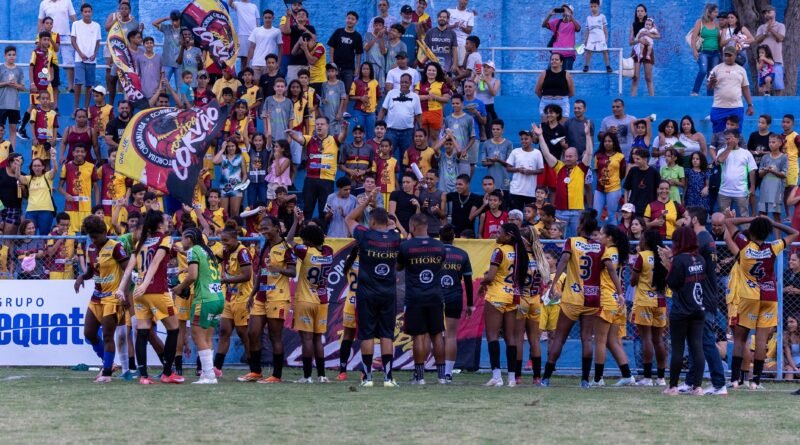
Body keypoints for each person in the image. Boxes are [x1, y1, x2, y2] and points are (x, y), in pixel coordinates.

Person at [724, 214, 798, 389]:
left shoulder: (744, 245)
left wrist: (753, 218)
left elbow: (728, 222)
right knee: (761, 341)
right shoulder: (773, 247)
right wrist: (772, 223)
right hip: (770, 297)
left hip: (749, 297)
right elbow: (795, 233)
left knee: (740, 339)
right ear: (768, 232)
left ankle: (734, 380)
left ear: (751, 231)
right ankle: (755, 382)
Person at [542, 211, 613, 387]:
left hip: (572, 298)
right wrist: (619, 292)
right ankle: (584, 380)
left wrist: (553, 284)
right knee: (587, 339)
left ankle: (546, 378)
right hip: (592, 298)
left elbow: (563, 261)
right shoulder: (600, 247)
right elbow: (611, 269)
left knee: (559, 337)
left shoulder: (572, 242)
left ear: (581, 226)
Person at [116, 210, 182, 385]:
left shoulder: (141, 242)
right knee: (174, 329)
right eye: (165, 220)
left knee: (143, 332)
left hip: (139, 294)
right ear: (159, 224)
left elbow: (128, 269)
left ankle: (144, 376)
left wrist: (121, 288)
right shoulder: (165, 239)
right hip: (157, 291)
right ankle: (167, 373)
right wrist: (146, 284)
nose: (168, 222)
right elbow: (155, 263)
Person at [344, 193, 402, 387]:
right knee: (387, 334)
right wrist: (389, 223)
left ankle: (368, 378)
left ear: (373, 221)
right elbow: (396, 228)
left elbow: (349, 219)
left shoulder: (365, 234)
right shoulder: (395, 237)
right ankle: (388, 378)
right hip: (388, 293)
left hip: (367, 293)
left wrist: (367, 201)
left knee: (367, 334)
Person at [73, 215, 129, 383]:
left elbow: (128, 271)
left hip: (112, 297)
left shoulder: (116, 247)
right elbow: (92, 271)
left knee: (107, 336)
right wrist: (82, 277)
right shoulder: (91, 248)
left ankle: (107, 373)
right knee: (89, 333)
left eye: (96, 236)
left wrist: (125, 293)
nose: (93, 240)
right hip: (96, 297)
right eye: (91, 237)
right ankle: (108, 363)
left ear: (105, 232)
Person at [242, 216, 295, 383]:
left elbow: (293, 271)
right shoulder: (265, 247)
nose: (263, 231)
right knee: (252, 333)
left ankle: (276, 375)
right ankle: (256, 371)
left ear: (276, 228)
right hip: (261, 296)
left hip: (278, 297)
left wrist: (278, 268)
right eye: (261, 229)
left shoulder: (285, 247)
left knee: (274, 336)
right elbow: (260, 273)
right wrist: (252, 294)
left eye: (266, 228)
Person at [658, 226, 710, 395]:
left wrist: (668, 265)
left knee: (678, 349)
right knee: (697, 347)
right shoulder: (700, 259)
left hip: (681, 310)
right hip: (698, 308)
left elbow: (673, 283)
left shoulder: (679, 260)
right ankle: (697, 387)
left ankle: (673, 386)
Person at [170, 228, 224, 384]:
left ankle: (209, 375)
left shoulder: (193, 251)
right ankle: (207, 373)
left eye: (182, 238)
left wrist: (179, 288)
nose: (181, 241)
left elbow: (192, 276)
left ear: (189, 238)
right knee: (207, 337)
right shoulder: (207, 251)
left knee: (197, 335)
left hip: (204, 299)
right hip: (218, 297)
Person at [399, 214, 447, 384]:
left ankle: (420, 377)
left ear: (412, 227)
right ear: (427, 226)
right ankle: (442, 377)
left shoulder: (406, 246)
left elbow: (398, 266)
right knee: (437, 335)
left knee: (418, 336)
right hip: (435, 296)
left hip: (415, 297)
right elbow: (441, 265)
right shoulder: (439, 246)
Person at [683, 206, 727, 394]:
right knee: (696, 340)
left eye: (686, 218)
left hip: (703, 296)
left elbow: (692, 267)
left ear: (694, 220)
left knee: (706, 340)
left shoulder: (700, 240)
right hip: (703, 294)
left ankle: (719, 383)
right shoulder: (707, 238)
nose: (683, 221)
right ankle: (691, 381)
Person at [286, 214, 334, 383]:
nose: (304, 242)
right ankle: (322, 375)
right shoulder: (329, 252)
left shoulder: (305, 251)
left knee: (306, 339)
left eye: (305, 239)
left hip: (306, 300)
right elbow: (321, 243)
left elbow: (289, 240)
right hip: (323, 300)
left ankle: (307, 376)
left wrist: (295, 222)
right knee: (317, 339)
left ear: (309, 241)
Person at [479, 223, 528, 386]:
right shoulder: (520, 252)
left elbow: (490, 277)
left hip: (496, 295)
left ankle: (497, 376)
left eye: (499, 232)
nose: (496, 234)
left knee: (492, 336)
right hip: (513, 296)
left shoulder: (499, 251)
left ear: (508, 236)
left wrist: (482, 283)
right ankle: (512, 378)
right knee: (510, 337)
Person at [593, 224, 636, 386]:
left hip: (607, 298)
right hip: (619, 301)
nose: (598, 237)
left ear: (609, 237)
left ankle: (598, 379)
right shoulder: (619, 252)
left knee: (600, 341)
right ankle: (627, 375)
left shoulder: (607, 252)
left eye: (601, 234)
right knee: (612, 341)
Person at [536, 121, 593, 238]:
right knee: (559, 238)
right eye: (566, 156)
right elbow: (546, 154)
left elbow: (589, 153)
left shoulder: (581, 168)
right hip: (560, 212)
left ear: (576, 157)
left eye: (570, 156)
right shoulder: (559, 167)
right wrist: (540, 136)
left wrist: (587, 135)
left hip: (577, 211)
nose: (567, 158)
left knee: (576, 238)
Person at [286, 116, 347, 218]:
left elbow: (343, 136)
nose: (319, 126)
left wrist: (345, 128)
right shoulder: (310, 139)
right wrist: (291, 134)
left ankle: (323, 228)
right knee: (307, 209)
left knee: (324, 211)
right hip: (310, 180)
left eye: (322, 124)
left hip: (327, 181)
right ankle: (305, 227)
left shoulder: (334, 140)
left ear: (327, 126)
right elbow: (299, 138)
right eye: (317, 124)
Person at [213, 226, 253, 376]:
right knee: (224, 331)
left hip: (243, 297)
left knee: (244, 334)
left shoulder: (243, 252)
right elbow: (211, 260)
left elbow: (247, 275)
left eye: (226, 240)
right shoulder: (225, 250)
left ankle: (254, 369)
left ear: (235, 239)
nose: (223, 243)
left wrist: (226, 280)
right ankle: (217, 368)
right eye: (221, 240)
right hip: (229, 297)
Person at [514, 226, 551, 385]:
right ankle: (537, 377)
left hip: (522, 299)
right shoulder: (540, 258)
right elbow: (545, 280)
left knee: (518, 338)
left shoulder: (520, 257)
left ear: (525, 241)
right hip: (536, 300)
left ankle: (517, 376)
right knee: (534, 339)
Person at [438, 224, 473, 382]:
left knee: (435, 335)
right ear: (454, 237)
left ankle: (435, 372)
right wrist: (471, 304)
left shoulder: (434, 252)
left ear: (439, 237)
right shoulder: (462, 254)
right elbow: (468, 282)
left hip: (435, 297)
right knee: (451, 336)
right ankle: (448, 373)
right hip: (454, 297)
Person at [707, 46, 754, 134]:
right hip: (719, 107)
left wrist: (750, 105)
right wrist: (711, 82)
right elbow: (709, 87)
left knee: (735, 135)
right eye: (726, 55)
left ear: (735, 56)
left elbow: (745, 88)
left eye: (730, 55)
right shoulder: (716, 69)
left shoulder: (741, 70)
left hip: (736, 108)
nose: (727, 57)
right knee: (718, 135)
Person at [378, 73, 421, 163]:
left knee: (405, 160)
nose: (404, 84)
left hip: (407, 132)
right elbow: (383, 110)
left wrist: (421, 130)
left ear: (410, 83)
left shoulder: (415, 97)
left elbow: (418, 116)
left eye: (406, 82)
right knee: (387, 157)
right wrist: (378, 125)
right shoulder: (391, 93)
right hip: (391, 131)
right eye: (402, 82)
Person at [717, 130, 757, 216]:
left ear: (737, 139)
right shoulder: (721, 151)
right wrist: (729, 147)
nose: (728, 141)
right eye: (726, 139)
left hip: (741, 191)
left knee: (744, 216)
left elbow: (752, 171)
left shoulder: (746, 153)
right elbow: (719, 160)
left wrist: (752, 187)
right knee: (723, 217)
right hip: (724, 191)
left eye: (730, 138)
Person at [18, 148, 57, 235]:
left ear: (43, 167)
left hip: (46, 210)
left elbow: (55, 170)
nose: (37, 167)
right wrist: (18, 165)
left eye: (39, 165)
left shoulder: (47, 176)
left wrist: (53, 158)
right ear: (32, 167)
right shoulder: (29, 178)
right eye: (35, 166)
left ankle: (43, 245)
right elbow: (18, 176)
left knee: (44, 234)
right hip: (31, 211)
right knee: (30, 234)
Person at [70, 3, 100, 111]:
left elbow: (98, 41)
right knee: (78, 83)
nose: (87, 14)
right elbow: (73, 40)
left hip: (91, 60)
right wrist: (80, 53)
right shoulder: (76, 24)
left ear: (92, 13)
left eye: (89, 11)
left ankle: (86, 109)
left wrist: (95, 53)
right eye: (85, 12)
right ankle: (76, 108)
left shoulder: (96, 26)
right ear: (81, 13)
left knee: (89, 85)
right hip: (79, 59)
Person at [593, 132, 626, 226]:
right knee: (596, 214)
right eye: (605, 141)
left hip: (614, 189)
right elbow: (596, 170)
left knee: (611, 215)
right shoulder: (597, 155)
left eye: (610, 141)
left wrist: (613, 180)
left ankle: (613, 234)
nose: (607, 143)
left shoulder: (620, 156)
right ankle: (596, 233)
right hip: (599, 189)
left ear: (614, 142)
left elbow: (622, 173)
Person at [327, 11, 363, 93]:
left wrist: (357, 67)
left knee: (347, 92)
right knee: (334, 90)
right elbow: (332, 46)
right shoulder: (338, 32)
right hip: (335, 67)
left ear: (356, 22)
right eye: (348, 18)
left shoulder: (357, 36)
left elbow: (358, 53)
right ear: (346, 19)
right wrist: (331, 62)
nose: (350, 20)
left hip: (349, 69)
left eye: (352, 19)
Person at [689, 4, 720, 97]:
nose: (717, 14)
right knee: (703, 71)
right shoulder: (700, 22)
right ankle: (695, 92)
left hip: (715, 53)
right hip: (704, 52)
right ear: (709, 13)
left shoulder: (716, 24)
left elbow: (719, 39)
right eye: (715, 12)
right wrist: (694, 51)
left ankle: (710, 95)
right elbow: (693, 37)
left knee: (712, 75)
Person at [757, 133, 788, 228]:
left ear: (780, 143)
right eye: (769, 142)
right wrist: (766, 170)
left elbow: (784, 174)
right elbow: (760, 174)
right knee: (762, 214)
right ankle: (762, 235)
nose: (771, 144)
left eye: (773, 142)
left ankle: (778, 236)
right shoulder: (765, 157)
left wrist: (773, 171)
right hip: (765, 188)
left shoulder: (784, 157)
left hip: (777, 189)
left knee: (776, 214)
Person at [754, 5, 785, 96]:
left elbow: (780, 38)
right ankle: (765, 105)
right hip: (763, 62)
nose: (766, 14)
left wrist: (771, 30)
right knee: (763, 88)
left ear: (774, 13)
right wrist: (765, 32)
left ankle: (778, 104)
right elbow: (757, 40)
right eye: (765, 13)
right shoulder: (761, 27)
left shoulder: (780, 26)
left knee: (778, 86)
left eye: (769, 11)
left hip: (776, 61)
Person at [535, 53, 574, 120]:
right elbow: (537, 90)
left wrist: (562, 99)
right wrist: (545, 98)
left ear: (561, 62)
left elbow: (572, 92)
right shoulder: (544, 74)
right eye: (552, 59)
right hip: (546, 102)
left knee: (562, 125)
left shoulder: (567, 75)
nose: (554, 61)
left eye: (556, 59)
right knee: (546, 125)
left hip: (562, 103)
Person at [0, 46, 26, 148]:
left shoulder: (19, 70)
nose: (12, 57)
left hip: (14, 105)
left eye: (13, 55)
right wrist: (6, 83)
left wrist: (16, 85)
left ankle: (12, 153)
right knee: (0, 129)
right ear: (5, 56)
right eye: (9, 55)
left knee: (13, 130)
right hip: (2, 104)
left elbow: (23, 87)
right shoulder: (1, 68)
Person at [623, 149, 660, 218]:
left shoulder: (654, 172)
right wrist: (626, 204)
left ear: (645, 159)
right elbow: (626, 189)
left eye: (638, 159)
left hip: (649, 206)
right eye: (634, 159)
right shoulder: (633, 171)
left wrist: (657, 205)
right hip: (634, 206)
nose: (635, 161)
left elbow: (658, 190)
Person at [542, 4, 580, 70]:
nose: (564, 11)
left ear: (570, 12)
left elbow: (578, 28)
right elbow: (544, 25)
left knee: (566, 75)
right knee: (550, 74)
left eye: (566, 9)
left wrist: (570, 16)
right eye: (563, 10)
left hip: (568, 54)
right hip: (556, 53)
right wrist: (550, 15)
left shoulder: (573, 23)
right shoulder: (557, 22)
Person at [248, 10, 282, 80]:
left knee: (268, 84)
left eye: (269, 18)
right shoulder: (256, 30)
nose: (267, 19)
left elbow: (280, 48)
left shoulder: (277, 31)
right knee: (255, 84)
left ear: (273, 18)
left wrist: (278, 63)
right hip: (256, 63)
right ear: (263, 18)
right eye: (265, 17)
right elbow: (252, 47)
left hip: (269, 64)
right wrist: (248, 63)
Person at [349, 63, 380, 140]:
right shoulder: (355, 82)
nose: (365, 71)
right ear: (361, 70)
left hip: (371, 112)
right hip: (359, 111)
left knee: (371, 134)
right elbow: (350, 97)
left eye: (367, 69)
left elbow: (378, 96)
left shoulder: (375, 82)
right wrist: (360, 98)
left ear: (371, 70)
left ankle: (370, 147)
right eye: (364, 69)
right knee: (359, 132)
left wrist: (374, 105)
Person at [424, 10, 458, 75]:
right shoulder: (430, 32)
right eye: (440, 17)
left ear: (448, 19)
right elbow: (425, 49)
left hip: (447, 67)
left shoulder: (452, 33)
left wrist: (455, 64)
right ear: (437, 18)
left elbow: (454, 49)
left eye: (444, 17)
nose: (442, 18)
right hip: (432, 67)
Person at [583, 0, 611, 73]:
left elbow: (605, 28)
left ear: (598, 6)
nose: (593, 8)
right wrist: (585, 40)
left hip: (600, 37)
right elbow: (587, 30)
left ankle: (608, 66)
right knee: (588, 51)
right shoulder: (588, 18)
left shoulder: (602, 17)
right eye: (591, 6)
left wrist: (606, 38)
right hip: (591, 37)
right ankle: (586, 65)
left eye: (595, 6)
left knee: (605, 51)